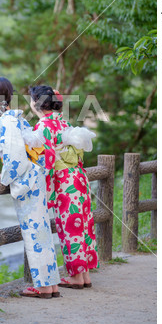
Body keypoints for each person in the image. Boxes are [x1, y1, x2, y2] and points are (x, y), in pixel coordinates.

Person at [0, 77, 60, 298]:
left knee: (34, 233)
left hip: (27, 181)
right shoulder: (17, 117)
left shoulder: (6, 121)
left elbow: (16, 157)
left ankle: (44, 287)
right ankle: (51, 284)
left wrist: (5, 177)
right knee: (42, 231)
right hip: (36, 176)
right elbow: (35, 144)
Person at [22, 85, 98, 289]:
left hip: (64, 180)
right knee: (81, 223)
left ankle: (75, 277)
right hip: (79, 177)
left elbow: (43, 160)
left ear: (37, 104)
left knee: (69, 227)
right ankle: (84, 275)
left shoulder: (43, 126)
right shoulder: (63, 122)